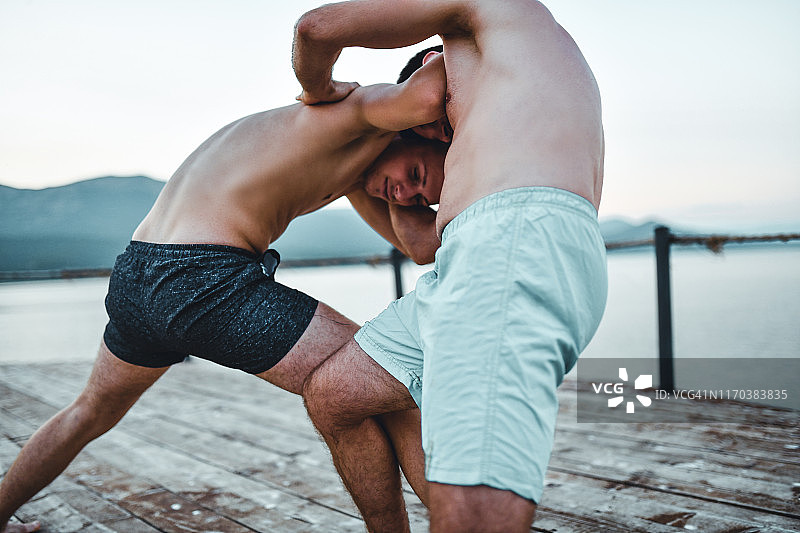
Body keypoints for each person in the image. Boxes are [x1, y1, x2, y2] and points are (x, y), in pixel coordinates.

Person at [0, 53, 450, 533]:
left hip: (137, 273)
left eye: (420, 198)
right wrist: (448, 95)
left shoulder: (360, 166)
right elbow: (430, 84)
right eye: (417, 179)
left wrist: (403, 189)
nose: (406, 195)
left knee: (89, 411)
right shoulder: (359, 111)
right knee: (382, 382)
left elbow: (420, 248)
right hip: (201, 277)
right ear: (416, 125)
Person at [294, 1, 609, 532]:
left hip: (513, 246)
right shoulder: (492, 111)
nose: (438, 132)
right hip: (472, 260)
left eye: (431, 121)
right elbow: (421, 244)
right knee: (335, 395)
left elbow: (316, 28)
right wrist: (374, 173)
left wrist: (321, 96)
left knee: (474, 501)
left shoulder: (501, 18)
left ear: (430, 66)